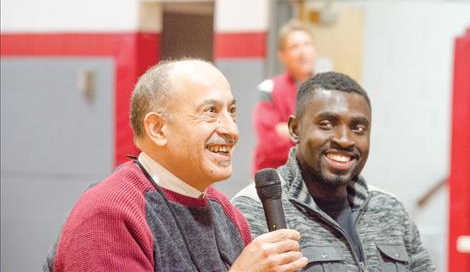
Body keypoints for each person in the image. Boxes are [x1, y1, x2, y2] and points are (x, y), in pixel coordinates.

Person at [44, 59, 308, 271]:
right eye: (210, 111)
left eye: (232, 111)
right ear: (158, 129)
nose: (231, 130)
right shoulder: (109, 215)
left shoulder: (226, 212)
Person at [233, 72, 435, 271]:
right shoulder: (254, 209)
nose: (345, 139)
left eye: (358, 128)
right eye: (327, 124)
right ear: (295, 129)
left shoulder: (390, 210)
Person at [252, 19, 317, 175]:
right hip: (275, 181)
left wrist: (290, 132)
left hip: (314, 181)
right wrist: (311, 136)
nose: (302, 52)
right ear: (282, 55)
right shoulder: (269, 89)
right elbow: (269, 145)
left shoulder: (327, 90)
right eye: (295, 47)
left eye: (307, 44)